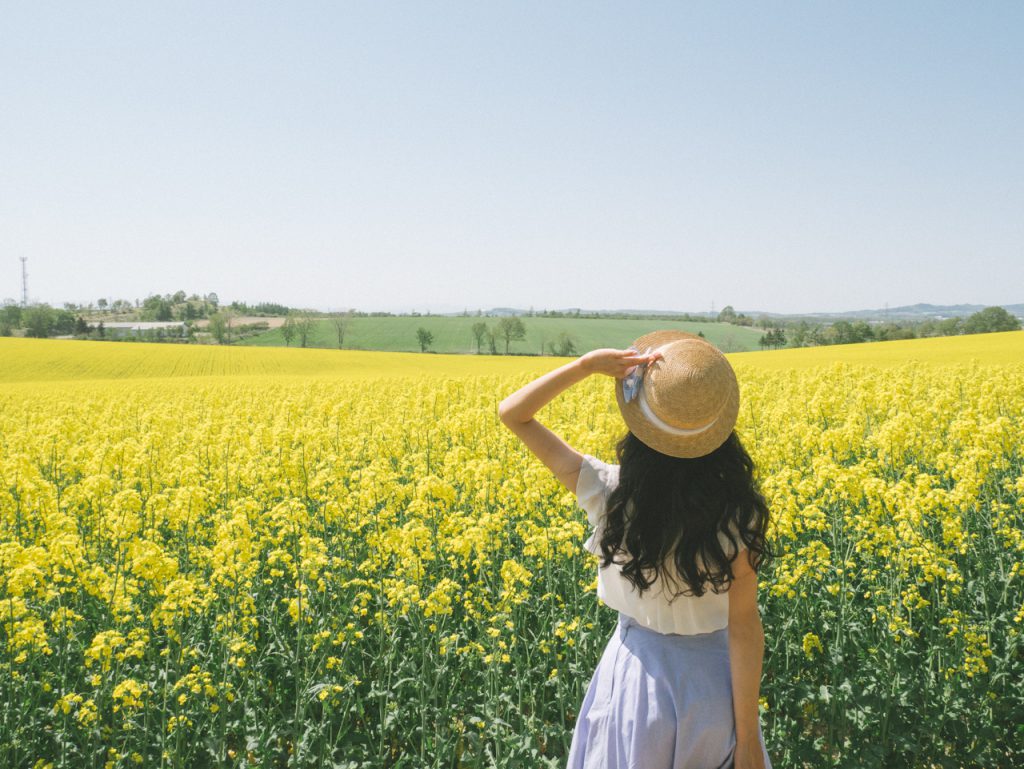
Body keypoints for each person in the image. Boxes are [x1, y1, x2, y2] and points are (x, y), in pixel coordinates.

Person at [498, 330, 774, 769]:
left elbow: (513, 413)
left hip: (635, 686)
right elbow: (743, 631)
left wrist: (586, 366)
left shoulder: (608, 493)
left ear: (640, 425)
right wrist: (746, 742)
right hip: (712, 691)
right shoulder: (739, 516)